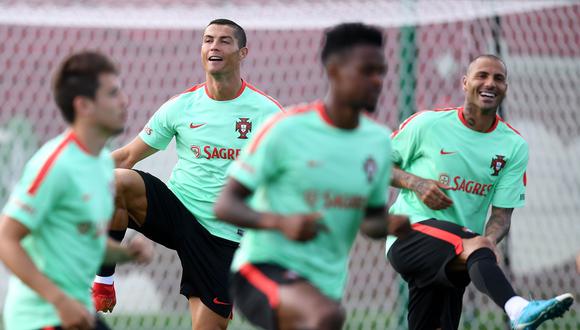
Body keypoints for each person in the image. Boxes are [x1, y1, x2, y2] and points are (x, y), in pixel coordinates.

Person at [214, 22, 411, 330]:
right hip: (262, 270)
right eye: (367, 71)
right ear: (334, 71)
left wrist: (390, 224)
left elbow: (370, 220)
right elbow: (225, 205)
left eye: (381, 72)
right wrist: (281, 222)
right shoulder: (286, 129)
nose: (377, 81)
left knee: (325, 315)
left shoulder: (378, 142)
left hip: (325, 284)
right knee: (325, 317)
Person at [90, 19, 284, 329]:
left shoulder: (268, 113)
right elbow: (127, 155)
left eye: (224, 41)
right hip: (178, 211)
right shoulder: (181, 106)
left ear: (242, 52)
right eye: (208, 40)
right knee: (117, 181)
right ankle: (103, 279)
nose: (214, 47)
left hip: (224, 235)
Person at [386, 54, 574, 330]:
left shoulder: (514, 146)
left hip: (461, 249)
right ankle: (518, 308)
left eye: (498, 78)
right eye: (481, 75)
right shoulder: (427, 125)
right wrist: (417, 183)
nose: (490, 83)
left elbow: (501, 216)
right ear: (465, 83)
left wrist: (489, 242)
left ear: (506, 88)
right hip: (409, 234)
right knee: (475, 244)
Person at [0, 51, 154, 330]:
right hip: (42, 318)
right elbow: (5, 239)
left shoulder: (101, 166)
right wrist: (59, 301)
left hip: (77, 313)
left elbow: (85, 237)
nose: (124, 101)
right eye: (113, 93)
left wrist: (125, 253)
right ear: (84, 105)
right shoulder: (56, 164)